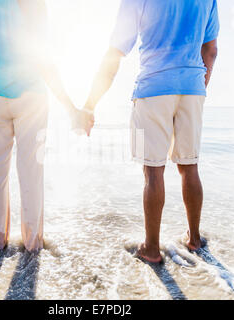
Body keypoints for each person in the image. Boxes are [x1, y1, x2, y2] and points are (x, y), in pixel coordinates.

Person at [82, 0, 219, 263]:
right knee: (190, 166)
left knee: (153, 171)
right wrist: (198, 87)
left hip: (153, 88)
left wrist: (90, 104)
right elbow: (210, 49)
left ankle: (152, 250)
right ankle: (195, 239)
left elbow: (115, 53)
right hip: (192, 88)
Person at [0, 0, 93, 253]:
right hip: (31, 95)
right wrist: (69, 107)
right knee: (31, 173)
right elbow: (43, 57)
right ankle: (33, 246)